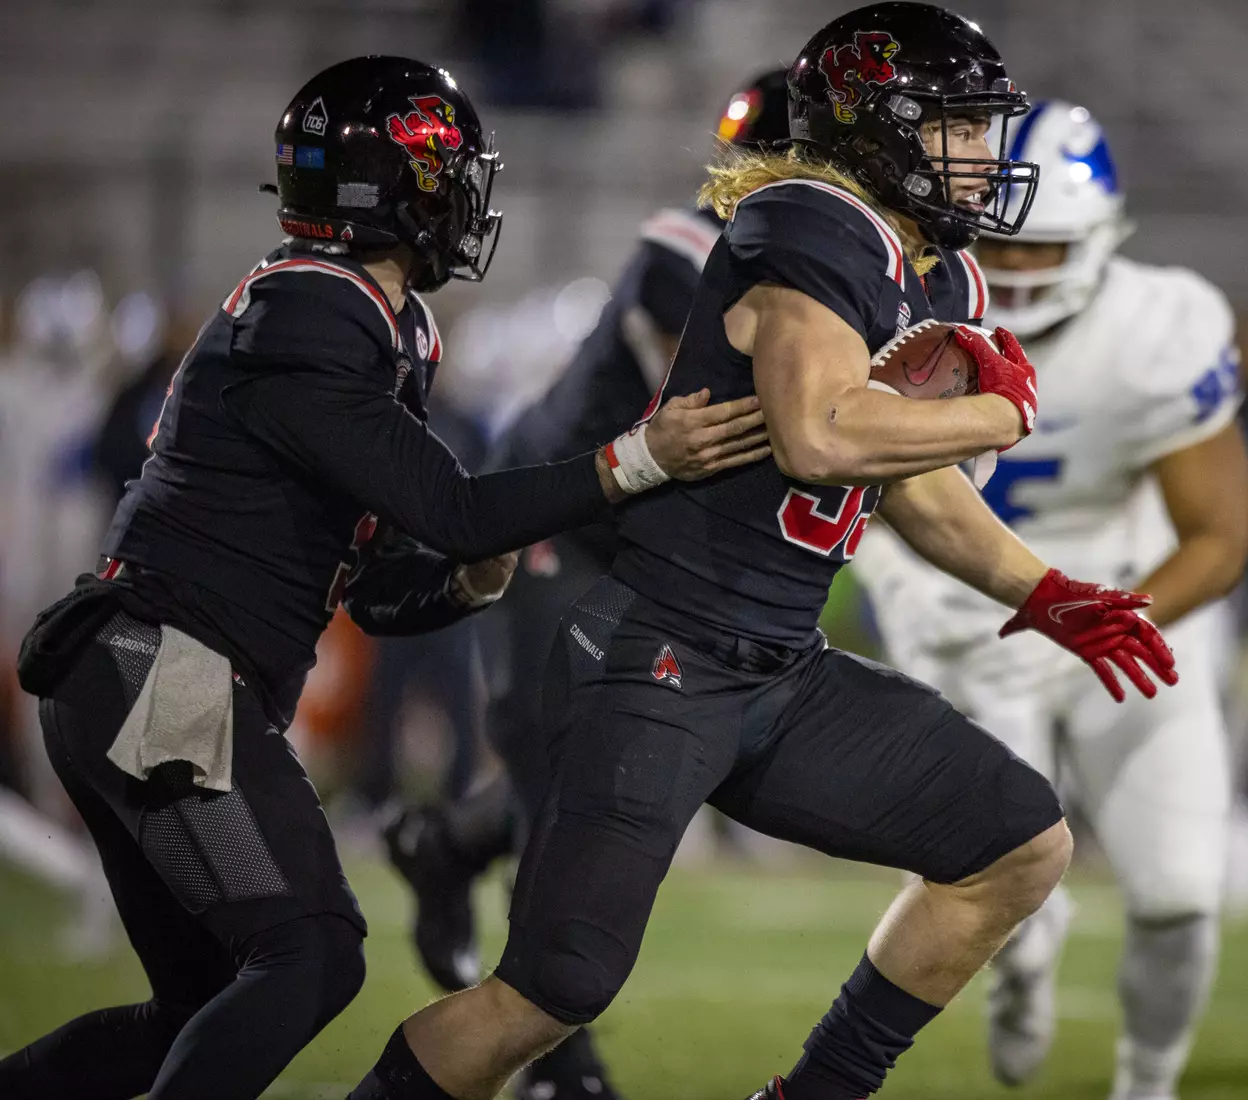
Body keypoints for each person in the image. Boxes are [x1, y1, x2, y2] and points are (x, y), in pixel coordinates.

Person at [346, 7, 1179, 1100]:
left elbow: (907, 483)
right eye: (959, 127)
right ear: (880, 128)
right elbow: (818, 434)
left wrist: (1045, 590)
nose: (984, 154)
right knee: (550, 992)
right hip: (663, 652)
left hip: (781, 667)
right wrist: (999, 414)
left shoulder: (935, 275)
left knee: (1017, 844)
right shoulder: (808, 224)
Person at [0, 55, 767, 1100]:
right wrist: (637, 459)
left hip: (151, 667)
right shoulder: (316, 307)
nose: (465, 196)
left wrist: (461, 586)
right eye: (450, 171)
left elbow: (374, 581)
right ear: (394, 184)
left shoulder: (368, 316)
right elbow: (454, 508)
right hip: (162, 667)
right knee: (311, 951)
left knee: (202, 1002)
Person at [381, 67, 794, 1100]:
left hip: (646, 541)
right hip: (562, 520)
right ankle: (559, 1062)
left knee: (630, 766)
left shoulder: (820, 267)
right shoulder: (691, 248)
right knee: (567, 777)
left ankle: (448, 841)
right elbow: (759, 411)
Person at [853, 99, 1248, 1099]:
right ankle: (1024, 959)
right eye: (1003, 246)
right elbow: (850, 477)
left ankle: (1147, 1084)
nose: (1020, 271)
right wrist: (901, 588)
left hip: (1126, 597)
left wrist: (1110, 621)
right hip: (965, 601)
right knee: (995, 883)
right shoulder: (895, 303)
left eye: (1046, 249)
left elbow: (1219, 536)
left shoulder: (1159, 325)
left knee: (1179, 892)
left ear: (1103, 236)